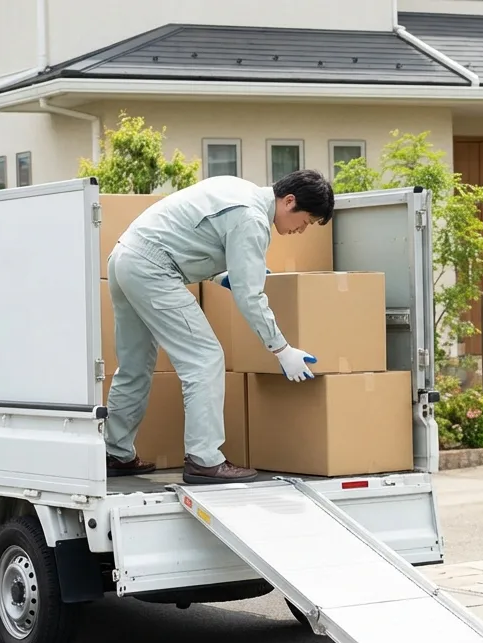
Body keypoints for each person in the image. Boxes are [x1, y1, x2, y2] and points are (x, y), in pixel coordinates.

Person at [102, 170, 334, 484]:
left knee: (134, 365)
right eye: (305, 221)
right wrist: (282, 349)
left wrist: (224, 275)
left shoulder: (237, 187)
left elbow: (190, 235)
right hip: (152, 268)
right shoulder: (252, 219)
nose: (301, 230)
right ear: (289, 201)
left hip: (123, 258)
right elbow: (250, 297)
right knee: (205, 359)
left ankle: (115, 453)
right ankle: (204, 460)